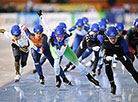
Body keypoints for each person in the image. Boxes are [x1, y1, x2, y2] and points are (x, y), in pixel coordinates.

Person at [37, 10, 99, 88]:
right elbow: (46, 25)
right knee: (56, 63)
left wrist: (54, 44)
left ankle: (90, 77)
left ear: (64, 35)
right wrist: (41, 15)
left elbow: (60, 53)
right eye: (58, 36)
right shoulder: (51, 33)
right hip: (54, 49)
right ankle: (57, 78)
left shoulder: (67, 37)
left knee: (77, 63)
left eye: (61, 36)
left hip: (64, 49)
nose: (59, 38)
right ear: (55, 34)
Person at [97, 26, 138, 95]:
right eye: (111, 38)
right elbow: (97, 36)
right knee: (107, 65)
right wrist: (105, 56)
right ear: (107, 37)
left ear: (117, 36)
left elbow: (128, 53)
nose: (113, 40)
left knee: (131, 69)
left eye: (115, 38)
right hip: (108, 51)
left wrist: (127, 58)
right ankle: (112, 85)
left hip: (120, 53)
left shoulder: (122, 40)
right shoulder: (103, 38)